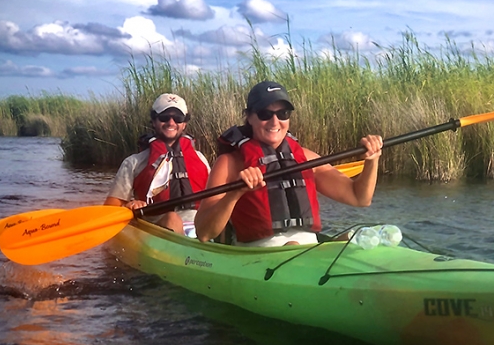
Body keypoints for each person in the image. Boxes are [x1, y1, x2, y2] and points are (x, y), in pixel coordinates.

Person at [194, 81, 383, 246]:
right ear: (250, 117)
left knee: (356, 236)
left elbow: (360, 198)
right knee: (293, 244)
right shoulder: (229, 163)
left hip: (306, 251)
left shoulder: (307, 159)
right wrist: (234, 194)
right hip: (257, 256)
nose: (275, 121)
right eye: (264, 114)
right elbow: (204, 233)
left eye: (283, 113)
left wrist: (372, 160)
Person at [105, 93, 210, 236]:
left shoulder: (200, 159)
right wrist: (128, 206)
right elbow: (110, 207)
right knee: (172, 219)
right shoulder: (134, 163)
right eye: (164, 117)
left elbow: (215, 201)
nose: (171, 122)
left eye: (178, 118)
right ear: (154, 121)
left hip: (200, 225)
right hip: (157, 227)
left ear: (184, 123)